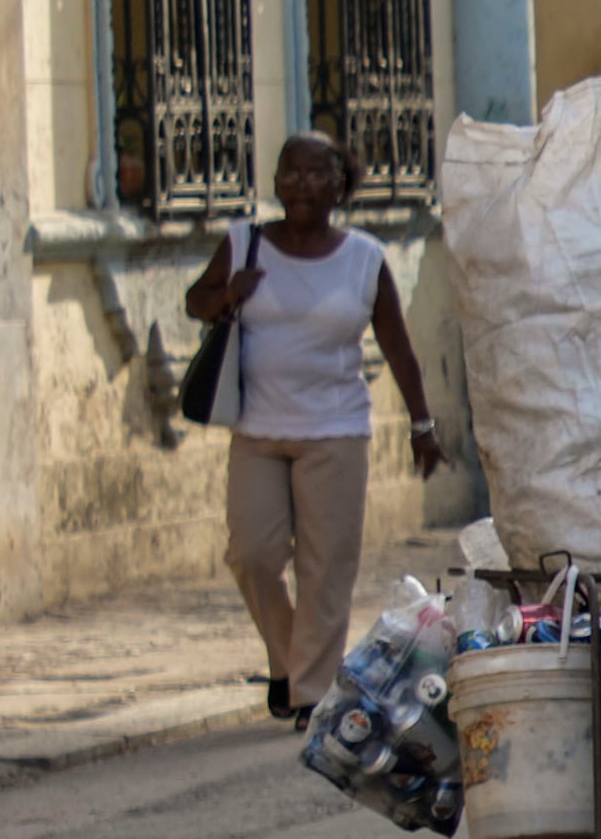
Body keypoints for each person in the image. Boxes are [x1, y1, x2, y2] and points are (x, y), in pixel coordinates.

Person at [184, 131, 435, 723]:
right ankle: (288, 661)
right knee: (252, 554)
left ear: (340, 185)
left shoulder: (364, 258)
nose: (300, 185)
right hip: (257, 430)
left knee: (326, 567)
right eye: (289, 173)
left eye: (315, 173)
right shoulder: (244, 243)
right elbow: (195, 300)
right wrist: (227, 295)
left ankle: (311, 691)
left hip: (336, 432)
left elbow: (396, 344)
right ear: (274, 182)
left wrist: (422, 423)